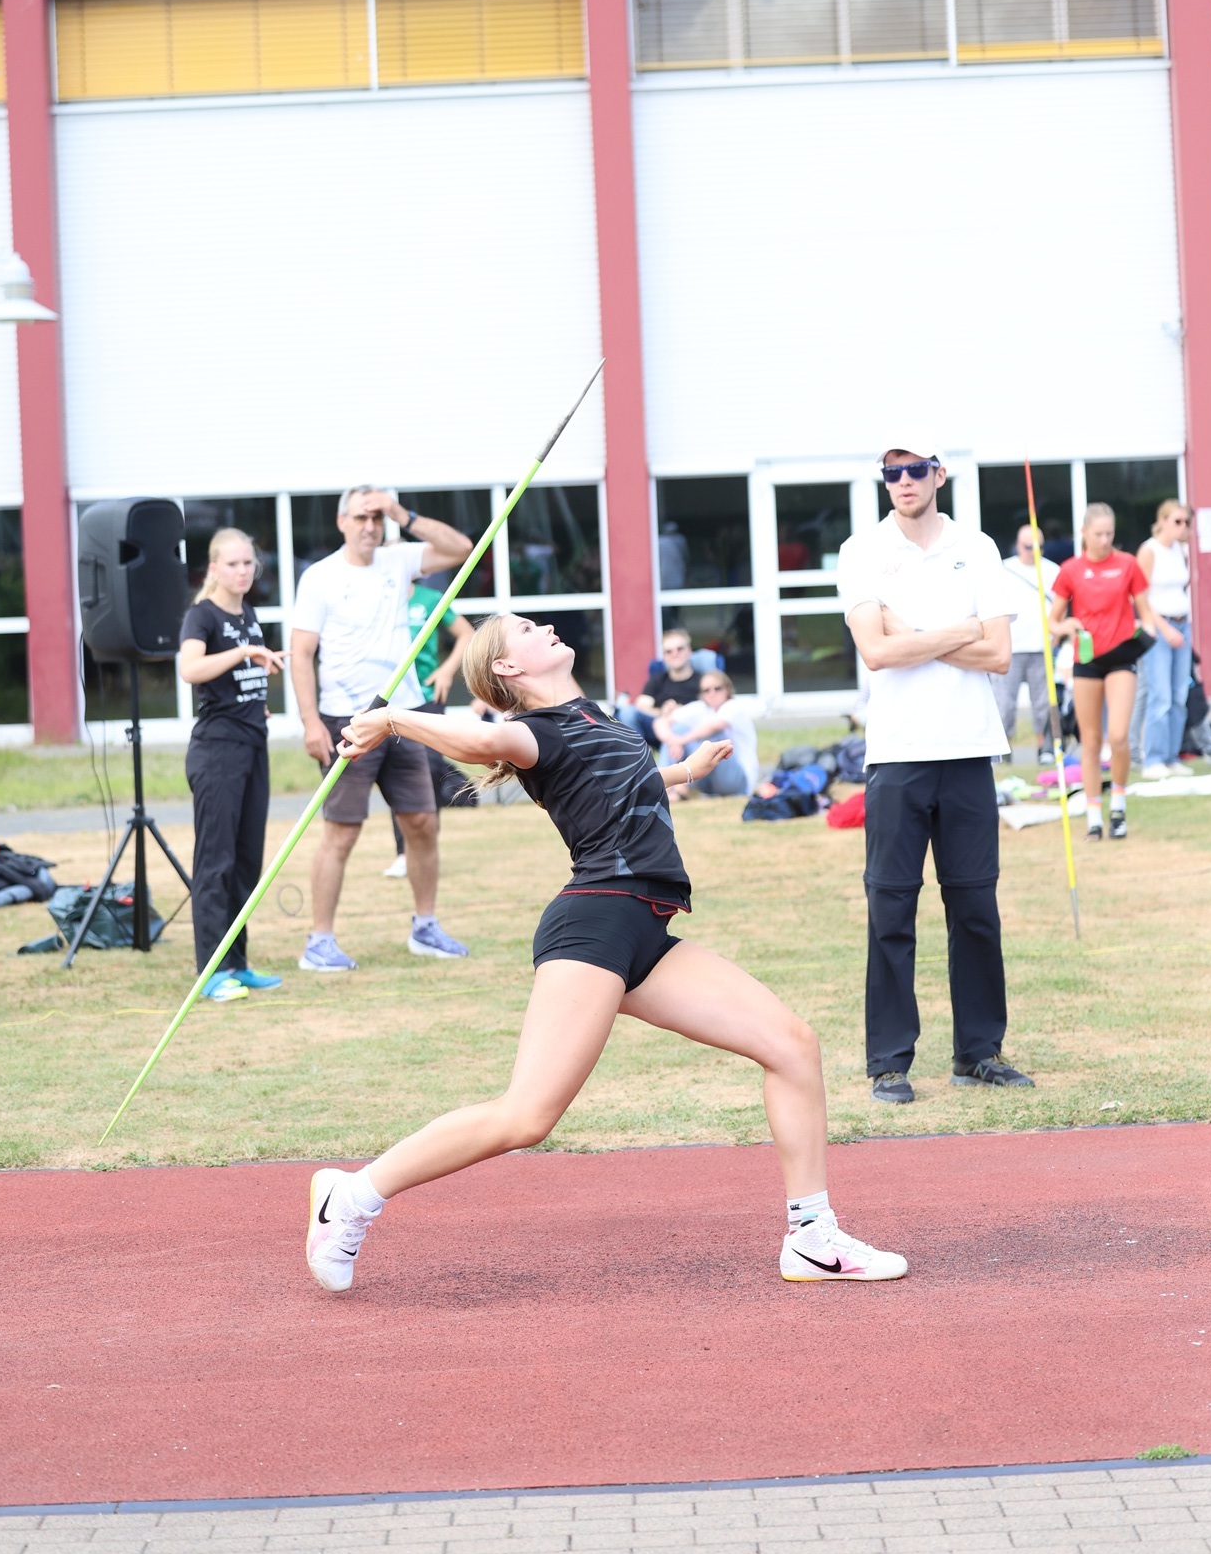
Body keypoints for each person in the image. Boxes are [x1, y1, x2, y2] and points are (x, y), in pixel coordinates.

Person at [306, 613, 907, 1292]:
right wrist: (391, 718)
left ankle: (811, 1238)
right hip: (594, 925)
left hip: (644, 928)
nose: (546, 625)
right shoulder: (531, 732)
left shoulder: (589, 718)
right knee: (526, 1116)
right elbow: (481, 740)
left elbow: (615, 784)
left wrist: (682, 770)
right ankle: (351, 1196)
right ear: (507, 667)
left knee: (792, 1045)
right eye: (526, 628)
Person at [835, 441, 1033, 1108]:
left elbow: (999, 655)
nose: (902, 481)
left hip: (969, 748)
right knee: (890, 909)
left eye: (914, 468)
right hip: (896, 755)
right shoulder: (861, 551)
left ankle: (979, 1053)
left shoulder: (977, 548)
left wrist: (912, 632)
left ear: (938, 474)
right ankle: (889, 1063)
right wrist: (960, 630)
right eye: (890, 472)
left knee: (975, 908)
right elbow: (875, 651)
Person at [289, 486, 473, 971]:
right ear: (341, 521)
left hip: (401, 715)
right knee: (342, 832)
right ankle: (319, 942)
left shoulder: (398, 561)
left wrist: (400, 512)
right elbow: (302, 654)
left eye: (377, 518)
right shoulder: (320, 577)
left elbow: (461, 548)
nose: (370, 526)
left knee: (422, 823)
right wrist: (310, 722)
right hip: (346, 718)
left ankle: (425, 927)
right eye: (361, 517)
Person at [178, 528, 287, 1003]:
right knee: (215, 862)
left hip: (252, 745)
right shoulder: (201, 615)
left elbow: (235, 680)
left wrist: (255, 703)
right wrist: (243, 652)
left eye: (248, 564)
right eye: (233, 564)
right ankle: (210, 972)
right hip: (217, 751)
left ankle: (236, 963)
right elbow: (190, 669)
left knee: (246, 863)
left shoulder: (249, 613)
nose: (243, 571)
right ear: (214, 568)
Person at [1047, 503, 1177, 840]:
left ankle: (1117, 806)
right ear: (1084, 533)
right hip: (1087, 659)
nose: (1105, 540)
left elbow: (1145, 611)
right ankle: (1094, 816)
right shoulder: (1071, 570)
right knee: (1090, 741)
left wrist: (1146, 633)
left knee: (1118, 736)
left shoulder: (1127, 564)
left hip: (1121, 656)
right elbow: (1053, 621)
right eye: (1098, 534)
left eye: (1110, 534)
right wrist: (1066, 626)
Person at [384, 574, 474, 879]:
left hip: (426, 697)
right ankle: (403, 853)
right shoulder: (379, 599)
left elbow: (466, 633)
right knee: (399, 773)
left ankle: (425, 850)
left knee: (431, 768)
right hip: (392, 701)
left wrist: (447, 671)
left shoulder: (430, 599)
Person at [1135, 501, 1193, 780]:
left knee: (1180, 694)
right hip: (1159, 626)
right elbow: (1140, 596)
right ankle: (1154, 758)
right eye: (1178, 521)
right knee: (1161, 696)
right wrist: (1163, 628)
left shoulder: (1181, 550)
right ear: (1163, 521)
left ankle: (1171, 756)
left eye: (1187, 522)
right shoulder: (1149, 550)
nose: (1183, 527)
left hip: (1182, 623)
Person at [991, 524, 1057, 758]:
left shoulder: (1053, 570)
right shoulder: (1004, 568)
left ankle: (1045, 749)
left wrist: (1057, 637)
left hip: (1042, 647)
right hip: (1011, 646)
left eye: (1038, 547)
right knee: (1004, 703)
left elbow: (1060, 607)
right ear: (1018, 546)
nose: (1033, 551)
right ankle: (1003, 750)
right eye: (1028, 547)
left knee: (1043, 703)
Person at [653, 669, 759, 797]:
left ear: (727, 689)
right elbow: (660, 722)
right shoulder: (701, 708)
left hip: (737, 780)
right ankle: (662, 787)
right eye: (706, 690)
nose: (712, 693)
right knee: (676, 729)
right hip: (709, 780)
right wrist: (672, 741)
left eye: (717, 688)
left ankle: (676, 787)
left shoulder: (733, 706)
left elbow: (715, 726)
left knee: (713, 739)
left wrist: (680, 740)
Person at [616, 626, 703, 747]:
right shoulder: (658, 679)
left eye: (680, 649)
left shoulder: (703, 681)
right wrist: (662, 712)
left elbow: (712, 710)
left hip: (690, 729)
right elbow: (642, 705)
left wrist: (681, 712)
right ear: (664, 656)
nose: (675, 654)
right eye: (669, 651)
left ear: (689, 651)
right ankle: (637, 756)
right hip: (658, 726)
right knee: (627, 712)